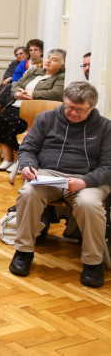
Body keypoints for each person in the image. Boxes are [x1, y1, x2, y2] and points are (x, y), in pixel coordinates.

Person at [9, 82, 111, 288]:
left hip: (88, 178)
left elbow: (108, 166)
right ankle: (23, 251)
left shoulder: (105, 127)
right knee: (29, 193)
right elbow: (28, 149)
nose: (72, 113)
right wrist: (28, 166)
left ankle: (93, 262)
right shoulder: (46, 119)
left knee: (89, 205)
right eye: (68, 107)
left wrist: (84, 182)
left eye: (79, 109)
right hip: (49, 175)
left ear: (92, 107)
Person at [0, 49, 66, 172]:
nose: (48, 61)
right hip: (18, 103)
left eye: (54, 60)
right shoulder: (34, 71)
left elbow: (56, 93)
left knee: (15, 123)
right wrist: (17, 94)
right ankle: (8, 159)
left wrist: (32, 95)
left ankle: (18, 160)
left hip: (37, 110)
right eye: (48, 57)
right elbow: (16, 84)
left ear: (62, 65)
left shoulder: (61, 78)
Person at [0, 46, 28, 117]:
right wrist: (9, 78)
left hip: (23, 84)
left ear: (27, 54)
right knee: (7, 87)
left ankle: (0, 113)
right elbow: (8, 74)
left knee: (8, 88)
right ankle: (1, 113)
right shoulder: (15, 63)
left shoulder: (30, 63)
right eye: (17, 55)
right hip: (12, 83)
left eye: (21, 53)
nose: (19, 56)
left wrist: (11, 78)